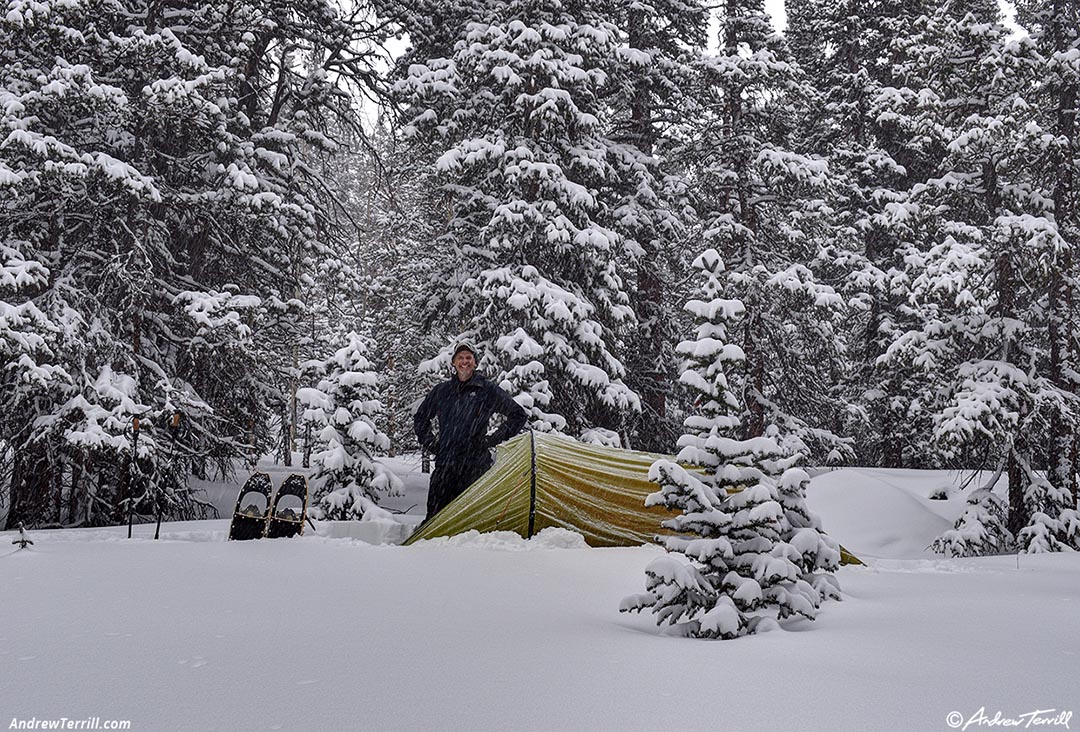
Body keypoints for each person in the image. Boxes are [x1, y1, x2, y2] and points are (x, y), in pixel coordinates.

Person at [413, 344, 527, 521]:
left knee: (475, 522)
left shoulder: (486, 390)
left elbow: (518, 415)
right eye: (460, 358)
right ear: (453, 363)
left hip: (476, 467)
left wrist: (493, 439)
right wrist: (432, 444)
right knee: (435, 520)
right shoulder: (442, 391)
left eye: (468, 358)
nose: (464, 362)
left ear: (475, 363)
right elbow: (421, 418)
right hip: (446, 466)